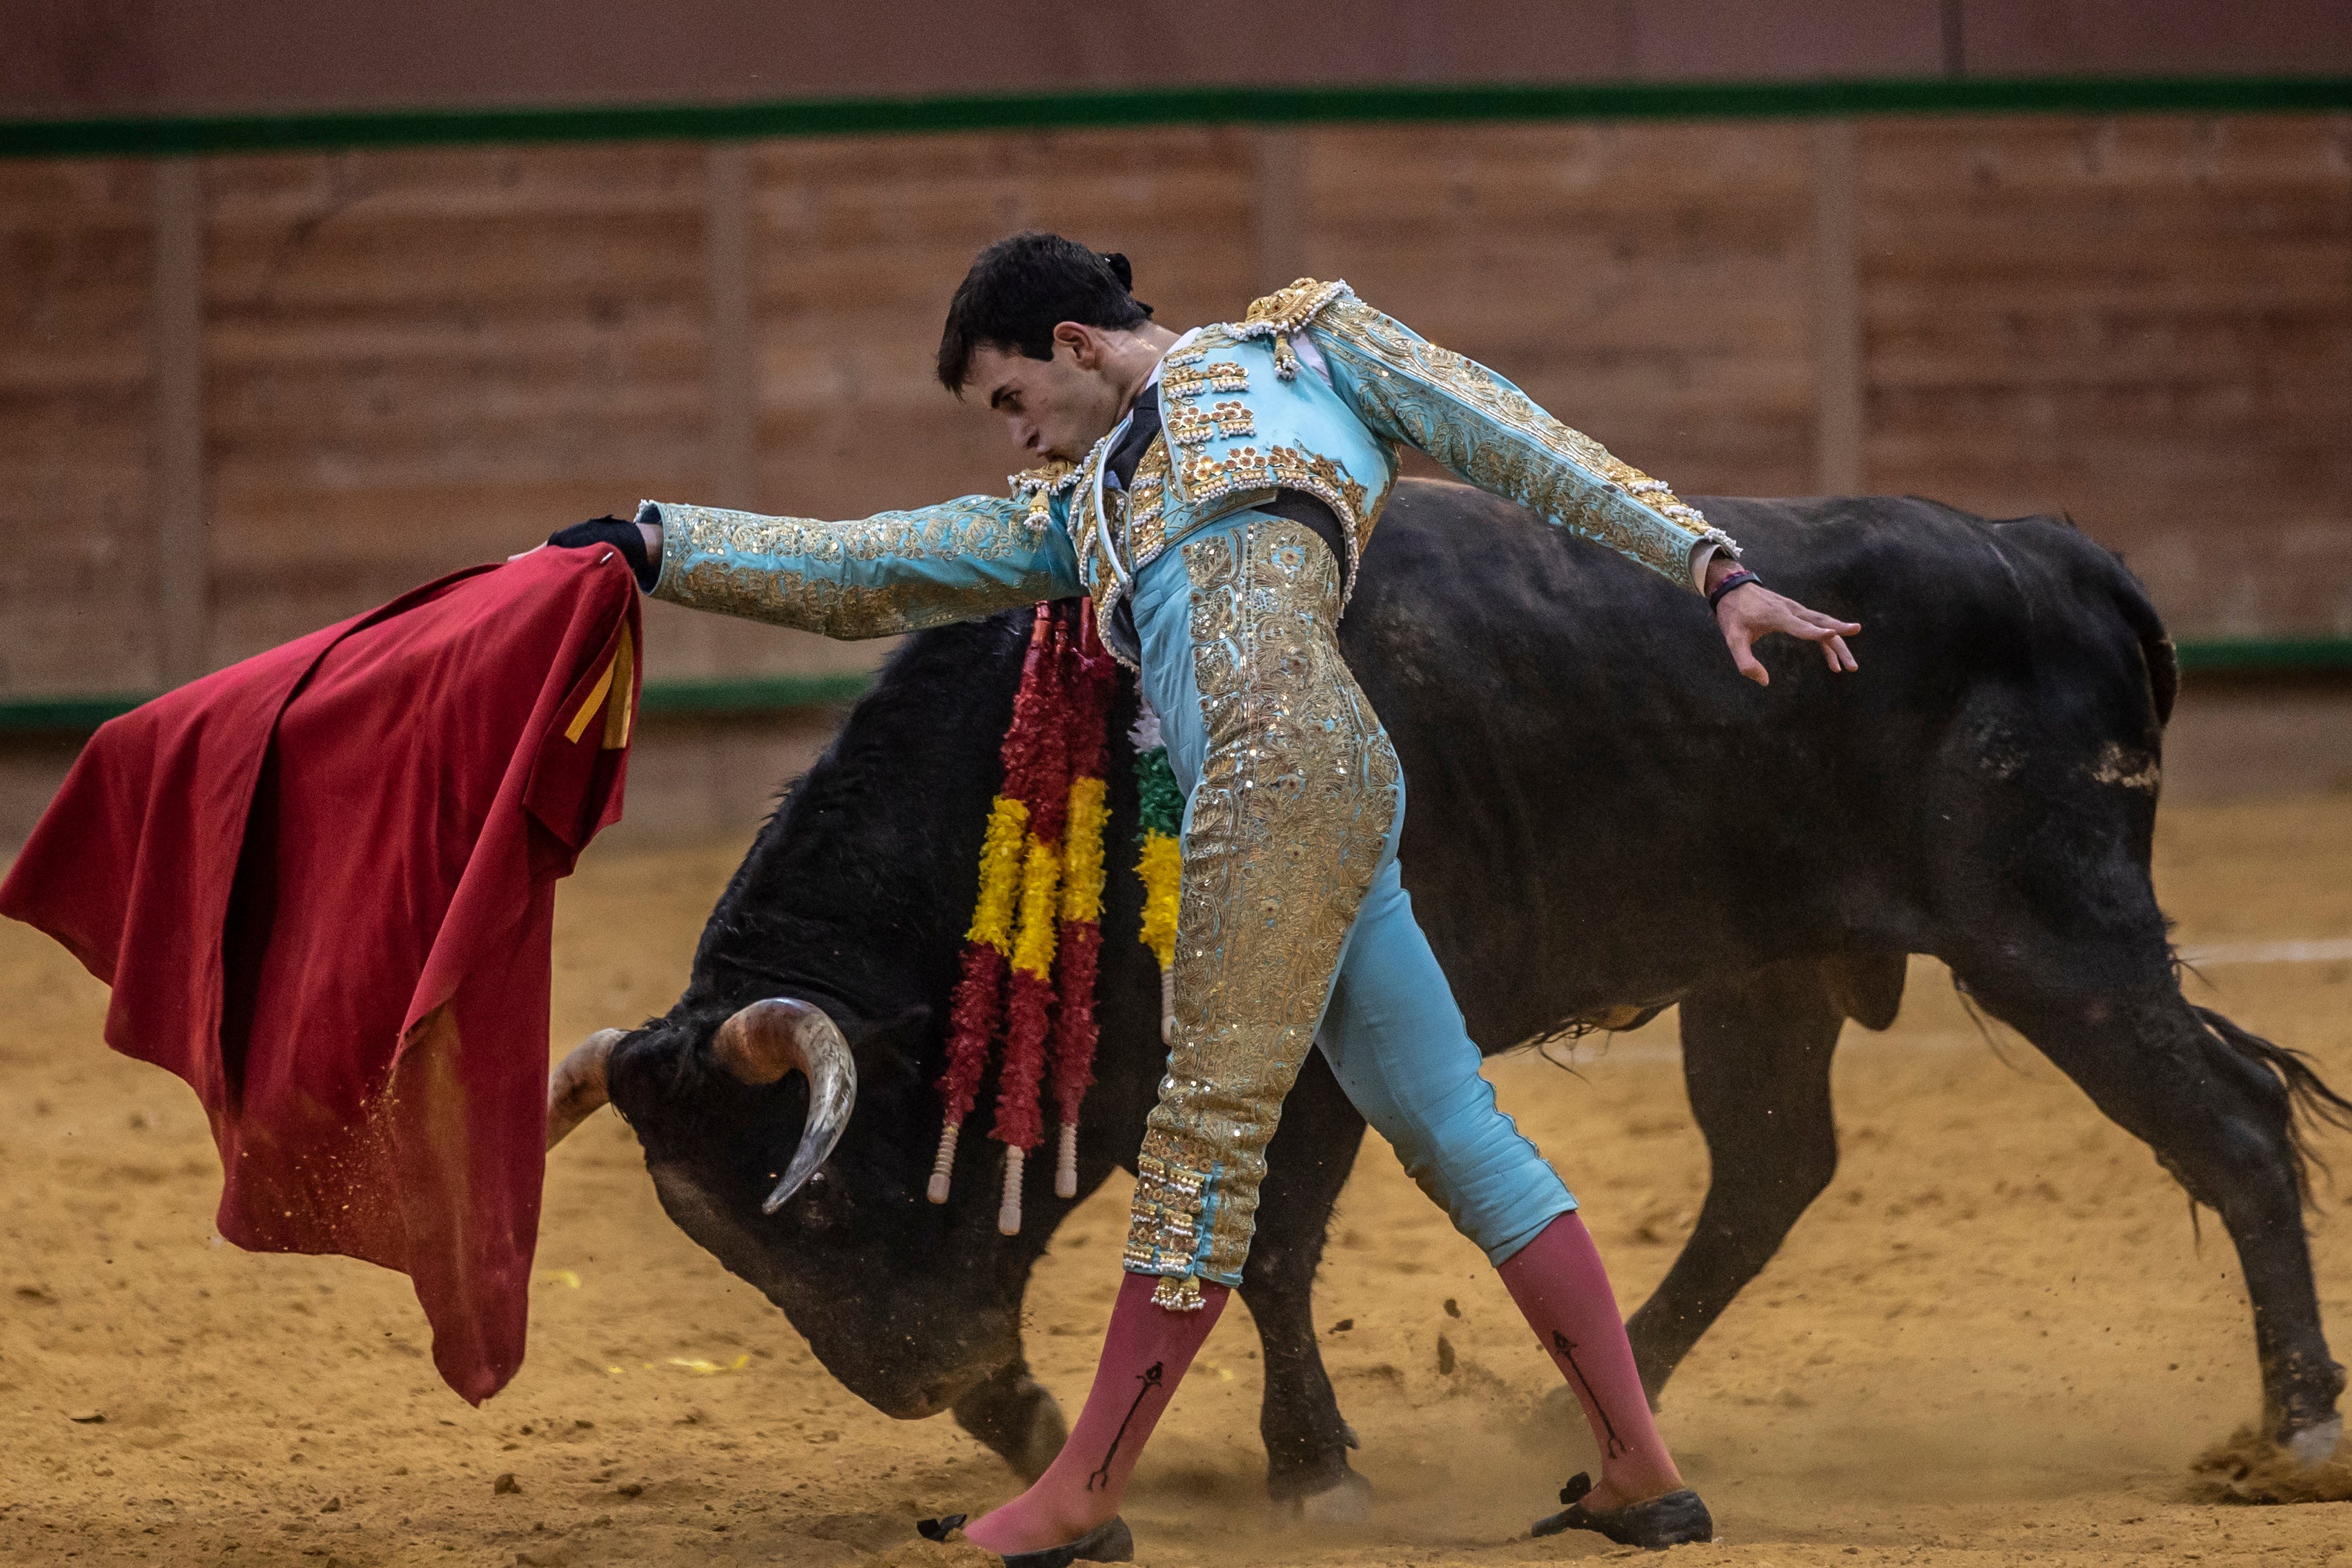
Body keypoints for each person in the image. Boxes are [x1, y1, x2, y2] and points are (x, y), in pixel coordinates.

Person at [546, 233, 1860, 1563]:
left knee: (1204, 1146)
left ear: (1072, 345)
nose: (1017, 442)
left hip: (1270, 784)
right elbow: (861, 570)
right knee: (1448, 1120)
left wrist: (1719, 569)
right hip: (1330, 777)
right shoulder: (1088, 506)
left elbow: (1515, 438)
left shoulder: (1312, 345)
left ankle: (1075, 1502)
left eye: (1010, 402)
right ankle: (1639, 1468)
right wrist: (654, 546)